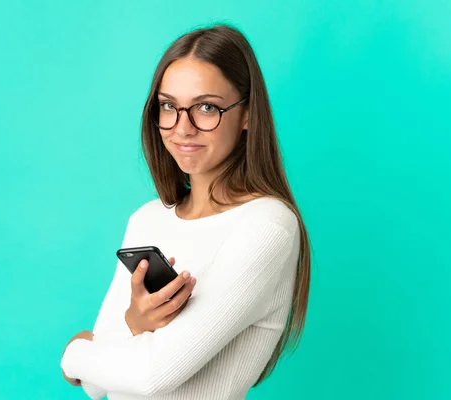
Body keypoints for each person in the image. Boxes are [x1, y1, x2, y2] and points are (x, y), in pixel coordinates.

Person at [60, 23, 311, 400]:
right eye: (168, 107)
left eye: (206, 107)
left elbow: (150, 377)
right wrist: (134, 324)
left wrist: (74, 352)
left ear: (247, 114)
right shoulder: (146, 219)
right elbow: (97, 387)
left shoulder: (267, 226)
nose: (183, 128)